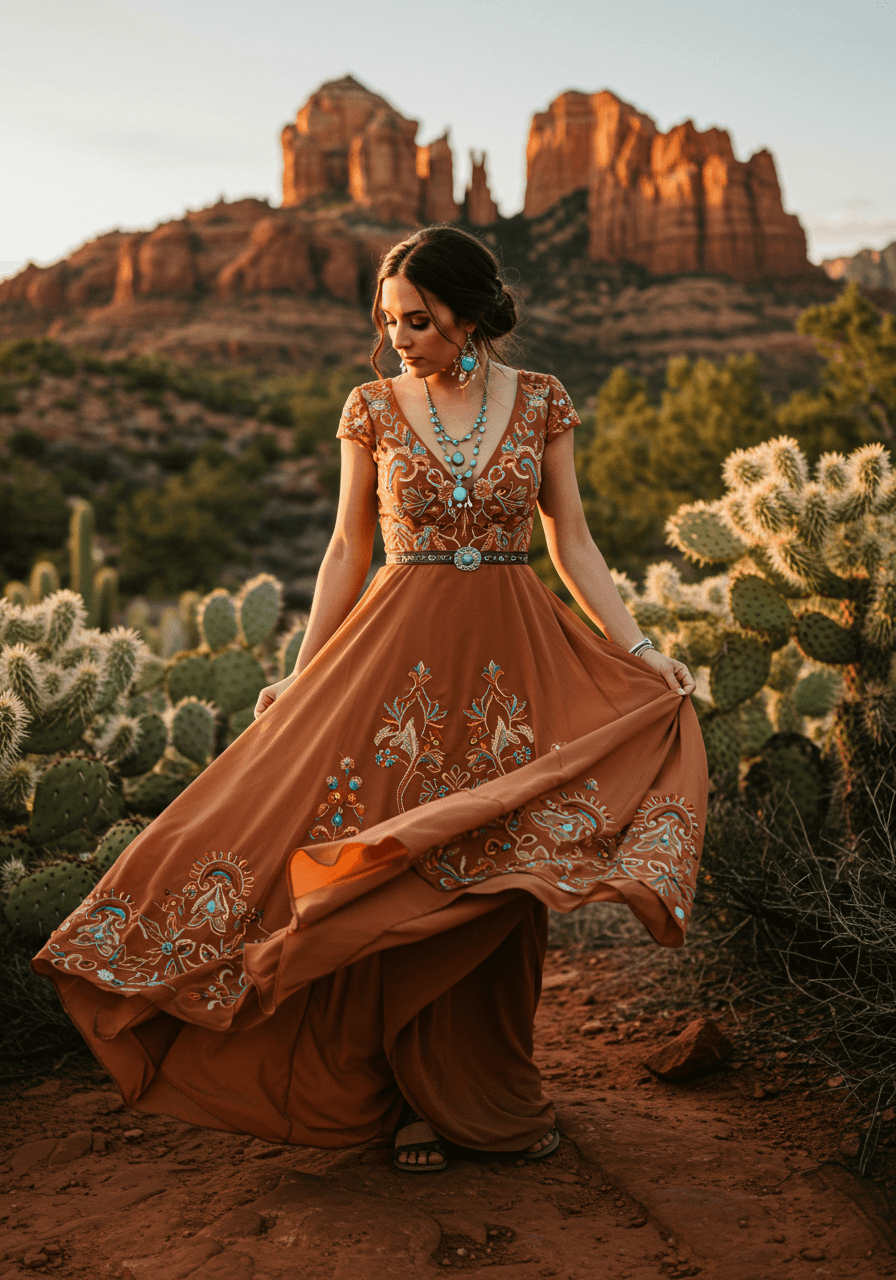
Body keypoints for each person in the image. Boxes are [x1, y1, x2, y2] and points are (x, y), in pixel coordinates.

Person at [33, 224, 706, 1173]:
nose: (399, 339)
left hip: (511, 663)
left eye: (418, 321)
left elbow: (574, 543)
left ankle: (488, 1089)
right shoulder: (371, 407)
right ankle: (402, 1099)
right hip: (396, 666)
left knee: (497, 877)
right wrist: (306, 671)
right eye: (389, 322)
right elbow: (348, 547)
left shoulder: (543, 400)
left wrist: (638, 649)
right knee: (390, 866)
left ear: (469, 313)